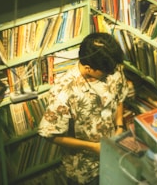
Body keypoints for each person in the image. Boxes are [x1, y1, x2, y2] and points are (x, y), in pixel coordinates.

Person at [38, 32, 129, 185]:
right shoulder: (64, 91)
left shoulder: (111, 68)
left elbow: (119, 97)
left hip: (113, 153)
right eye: (105, 73)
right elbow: (49, 134)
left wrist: (119, 126)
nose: (111, 74)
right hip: (84, 167)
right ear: (88, 68)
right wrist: (93, 148)